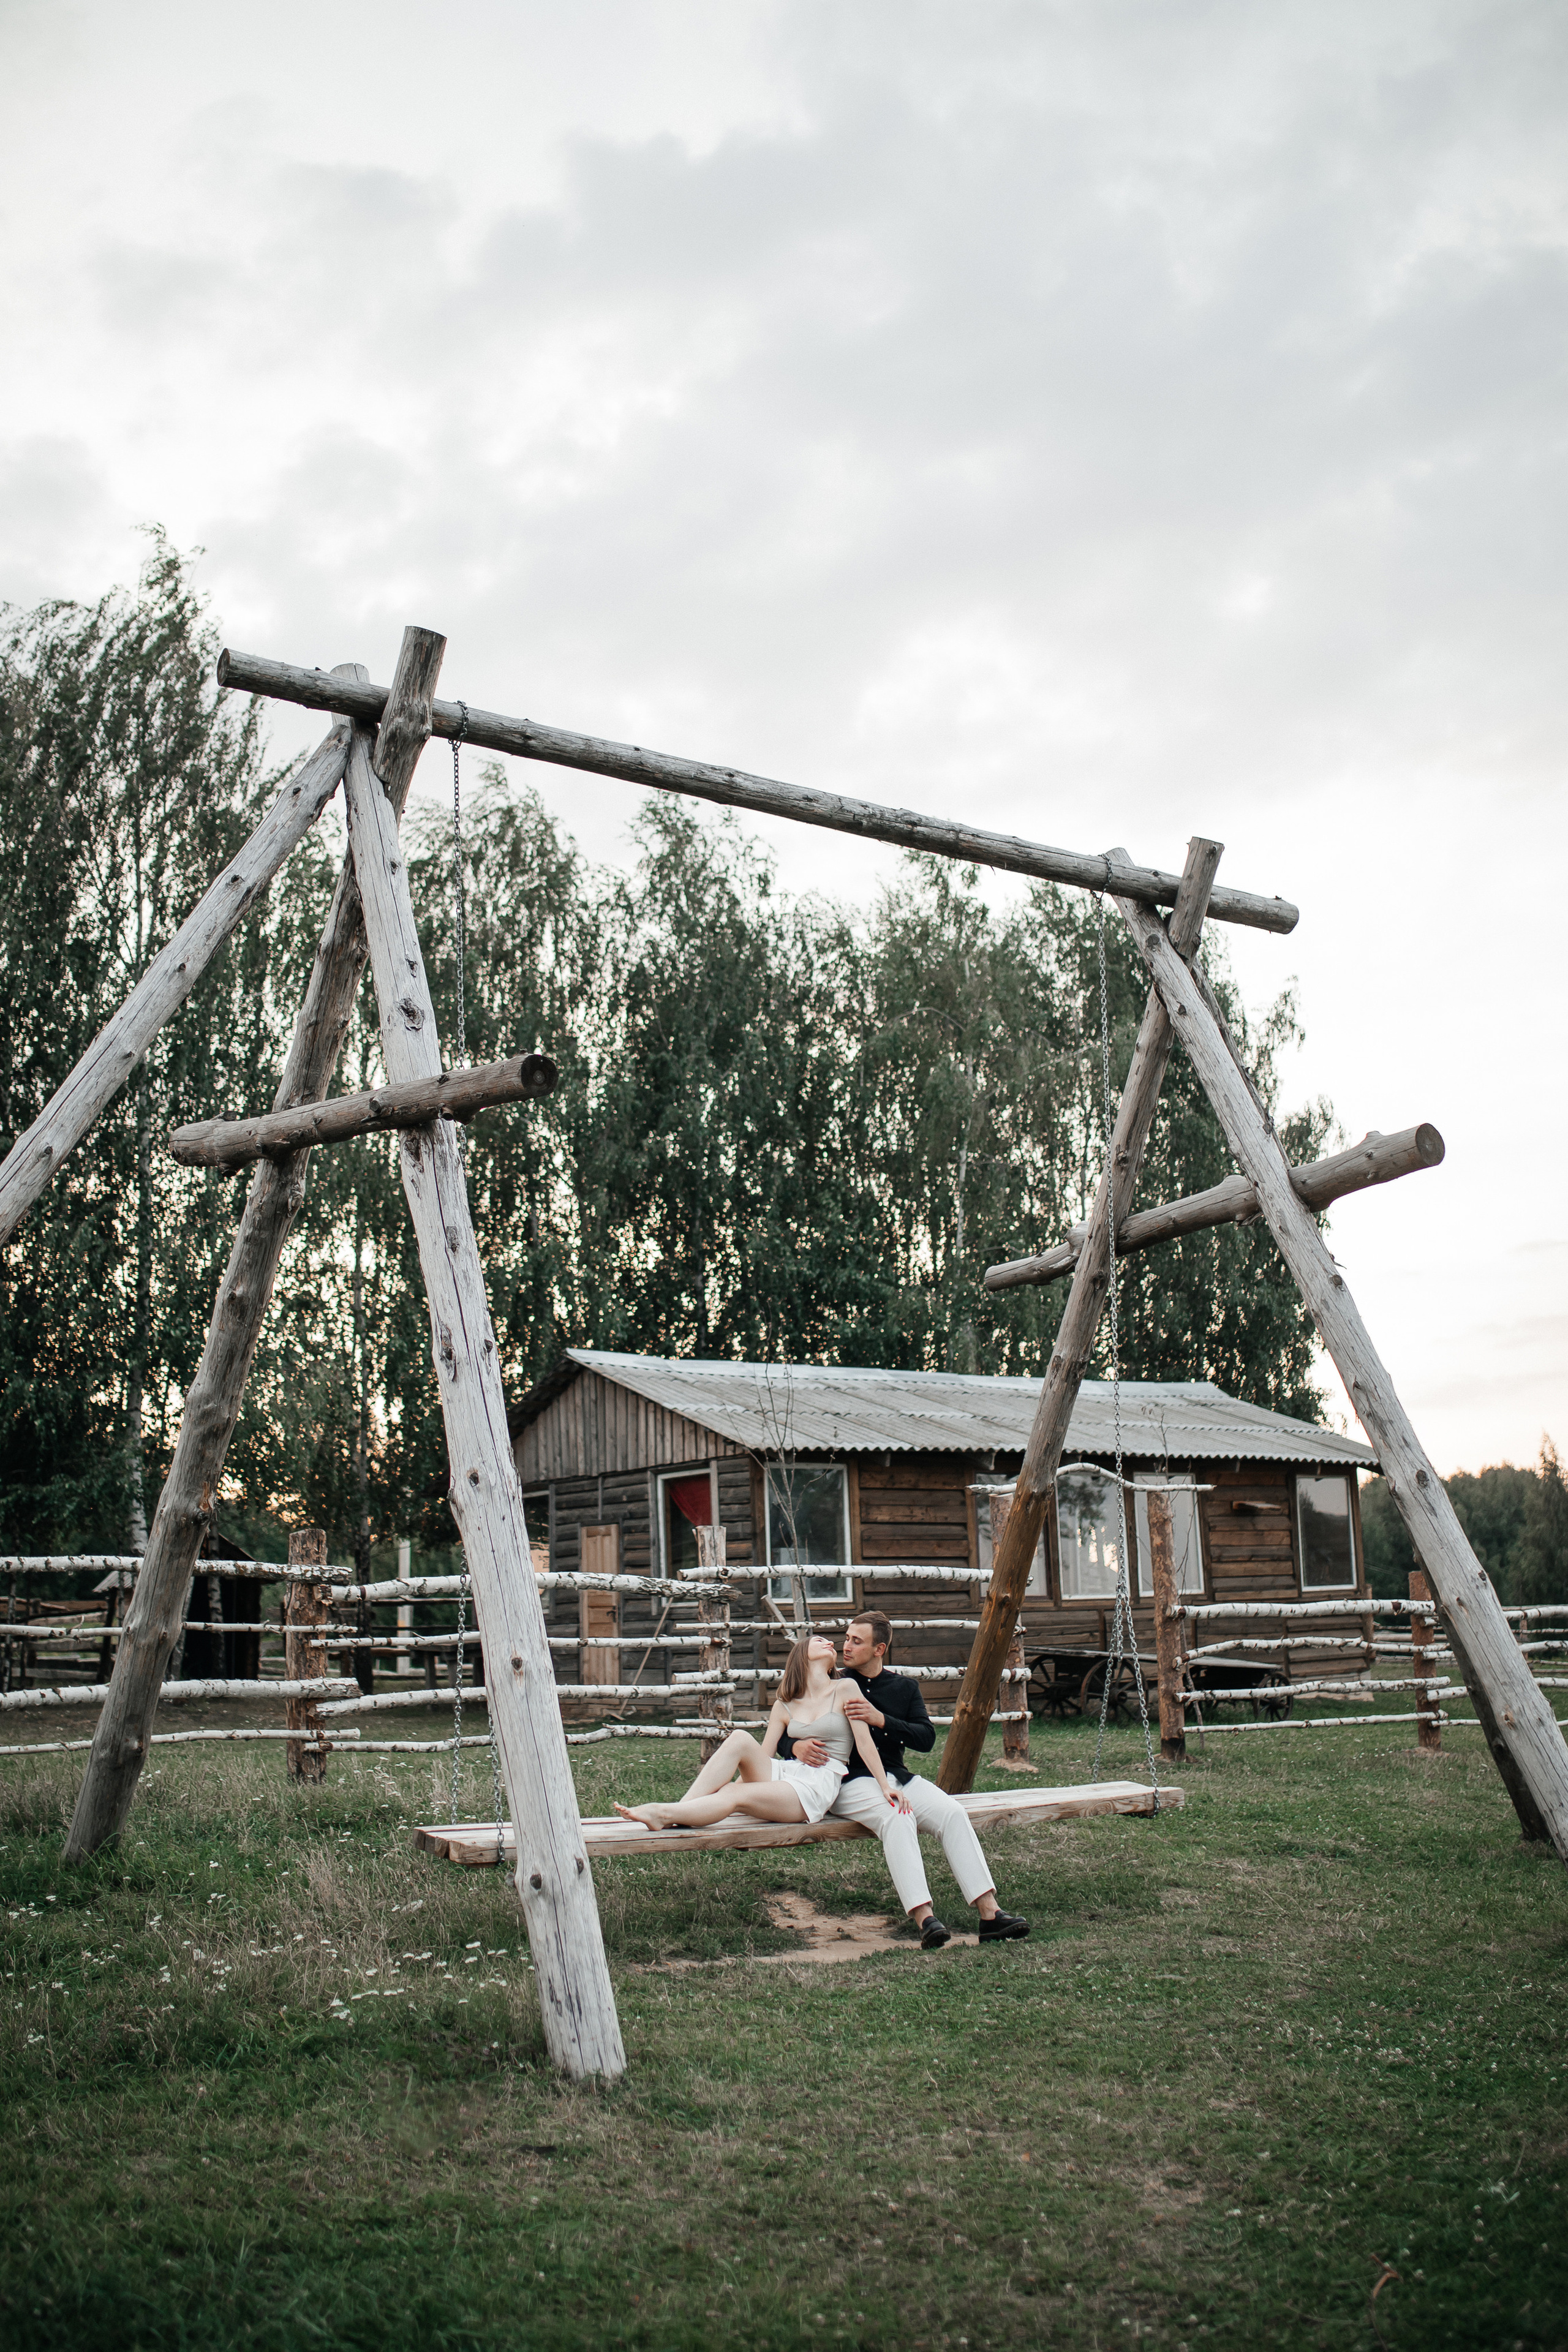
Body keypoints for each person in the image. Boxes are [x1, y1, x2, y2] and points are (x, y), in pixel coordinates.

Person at [793, 1611, 1030, 1950]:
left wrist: (881, 1719)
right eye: (846, 1639)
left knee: (952, 1813)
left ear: (879, 1649)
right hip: (848, 1780)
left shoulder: (904, 1688)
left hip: (898, 1776)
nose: (846, 1646)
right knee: (897, 1815)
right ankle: (925, 1917)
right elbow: (789, 1719)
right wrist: (794, 1746)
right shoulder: (833, 1682)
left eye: (857, 1641)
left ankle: (990, 1914)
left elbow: (926, 1738)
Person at [613, 1632, 911, 1833]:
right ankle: (680, 1810)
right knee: (741, 1739)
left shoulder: (846, 1688)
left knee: (733, 1793)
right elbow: (764, 1757)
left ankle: (665, 1814)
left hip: (817, 1784)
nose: (831, 1643)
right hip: (786, 1772)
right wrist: (785, 1754)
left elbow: (865, 1743)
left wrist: (884, 1785)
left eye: (830, 1642)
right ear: (802, 1654)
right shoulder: (785, 1704)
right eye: (820, 1641)